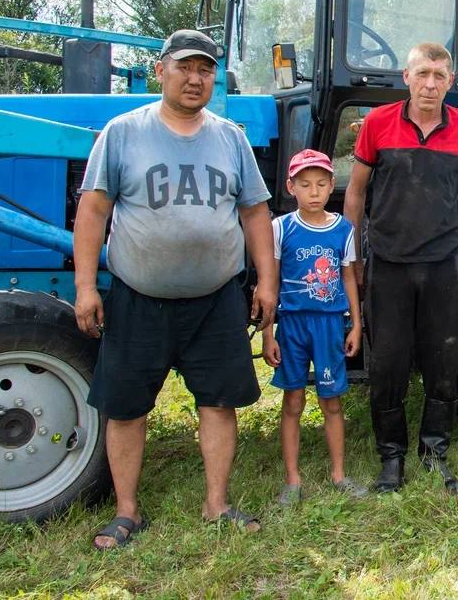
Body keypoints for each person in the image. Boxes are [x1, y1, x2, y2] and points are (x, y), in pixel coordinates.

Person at [73, 29, 276, 549]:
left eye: (206, 69)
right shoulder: (122, 133)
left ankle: (217, 503)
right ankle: (126, 512)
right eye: (185, 67)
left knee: (219, 402)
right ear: (160, 70)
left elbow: (255, 213)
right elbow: (94, 210)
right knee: (126, 406)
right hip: (139, 297)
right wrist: (84, 287)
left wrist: (267, 283)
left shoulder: (231, 138)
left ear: (215, 78)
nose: (195, 78)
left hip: (216, 300)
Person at [343, 42, 458, 494]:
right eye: (422, 73)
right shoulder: (377, 125)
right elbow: (355, 193)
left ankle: (434, 452)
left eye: (439, 75)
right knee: (387, 362)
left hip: (446, 263)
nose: (430, 84)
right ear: (405, 77)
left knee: (444, 360)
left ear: (450, 81)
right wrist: (354, 259)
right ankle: (391, 457)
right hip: (389, 264)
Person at [262, 149, 365, 505]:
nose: (314, 191)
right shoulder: (280, 228)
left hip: (329, 325)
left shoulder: (343, 229)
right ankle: (292, 480)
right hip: (292, 325)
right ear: (292, 187)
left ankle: (339, 474)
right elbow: (270, 282)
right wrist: (266, 331)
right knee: (292, 401)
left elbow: (349, 277)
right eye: (305, 184)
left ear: (331, 184)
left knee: (331, 401)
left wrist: (356, 324)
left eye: (321, 183)